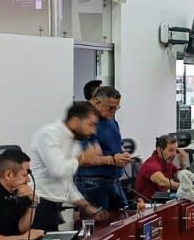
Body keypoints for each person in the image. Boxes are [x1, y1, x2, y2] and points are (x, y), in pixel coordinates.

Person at [30, 100, 104, 230]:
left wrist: (85, 205)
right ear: (75, 121)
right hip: (38, 206)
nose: (94, 131)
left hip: (53, 206)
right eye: (90, 124)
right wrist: (82, 158)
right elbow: (58, 171)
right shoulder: (49, 134)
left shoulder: (73, 140)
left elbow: (65, 181)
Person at [75, 85, 134, 213]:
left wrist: (122, 154)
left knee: (122, 219)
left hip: (113, 181)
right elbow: (82, 157)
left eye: (116, 107)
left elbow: (113, 144)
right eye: (111, 108)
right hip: (92, 183)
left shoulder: (109, 118)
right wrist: (112, 160)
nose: (113, 111)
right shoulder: (83, 120)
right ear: (97, 101)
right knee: (99, 227)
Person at [136, 135, 184, 199]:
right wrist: (185, 187)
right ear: (159, 150)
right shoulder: (151, 164)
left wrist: (182, 163)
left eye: (176, 150)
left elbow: (178, 176)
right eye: (171, 150)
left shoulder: (167, 162)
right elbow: (162, 182)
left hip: (162, 201)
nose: (174, 154)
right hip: (147, 205)